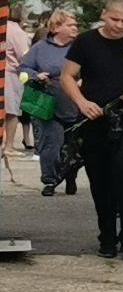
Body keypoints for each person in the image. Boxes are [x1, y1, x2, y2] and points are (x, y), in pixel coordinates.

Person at [60, 0, 123, 261]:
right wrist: (81, 102)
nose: (119, 25)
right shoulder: (85, 42)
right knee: (99, 179)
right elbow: (67, 76)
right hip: (94, 118)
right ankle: (107, 238)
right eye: (115, 19)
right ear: (104, 15)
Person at [17, 10, 79, 196]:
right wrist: (36, 76)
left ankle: (70, 176)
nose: (74, 27)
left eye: (75, 24)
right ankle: (50, 181)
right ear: (56, 27)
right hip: (47, 104)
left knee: (73, 147)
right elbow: (22, 70)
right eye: (70, 25)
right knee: (50, 144)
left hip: (75, 104)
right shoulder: (40, 48)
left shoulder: (79, 48)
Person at [4, 5, 31, 156]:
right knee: (12, 111)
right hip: (12, 73)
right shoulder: (18, 32)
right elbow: (24, 55)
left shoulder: (4, 27)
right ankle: (9, 146)